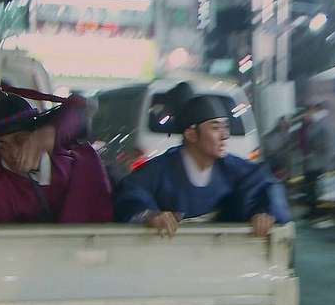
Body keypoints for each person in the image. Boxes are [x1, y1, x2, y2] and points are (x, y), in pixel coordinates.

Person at [113, 93, 290, 237]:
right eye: (215, 128)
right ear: (191, 135)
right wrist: (149, 215)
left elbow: (267, 188)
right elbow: (130, 194)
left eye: (225, 127)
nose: (225, 136)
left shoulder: (235, 169)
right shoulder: (159, 170)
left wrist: (264, 213)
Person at [0, 85, 113, 223]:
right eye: (2, 146)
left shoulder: (77, 162)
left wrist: (51, 133)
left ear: (36, 134)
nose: (13, 153)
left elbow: (82, 108)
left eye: (20, 141)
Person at [298, 102, 335, 226]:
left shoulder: (326, 125)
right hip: (318, 164)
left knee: (323, 192)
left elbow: (331, 147)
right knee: (317, 191)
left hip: (323, 165)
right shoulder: (317, 125)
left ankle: (322, 215)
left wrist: (329, 166)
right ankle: (316, 213)